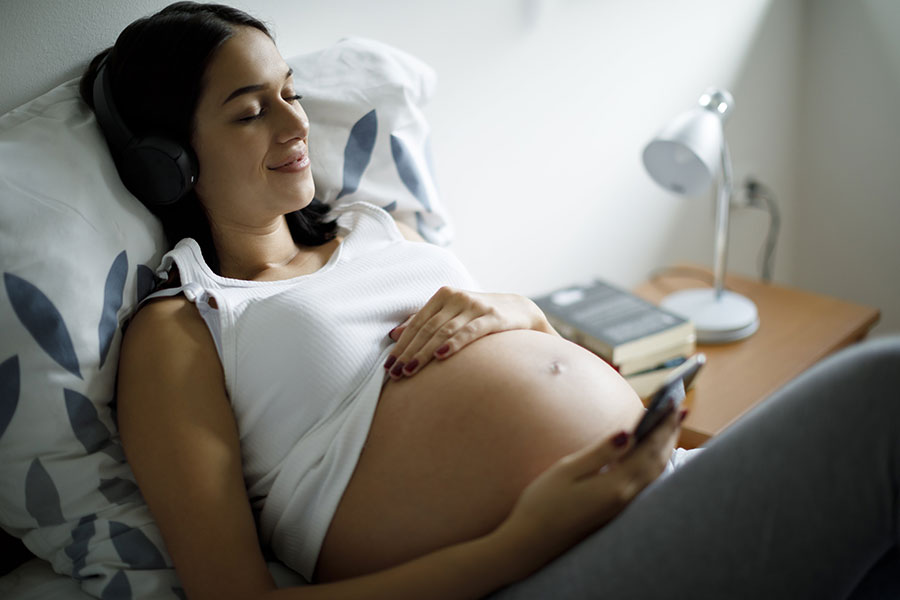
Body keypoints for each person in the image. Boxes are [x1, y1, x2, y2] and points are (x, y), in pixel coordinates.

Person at [80, 3, 900, 599]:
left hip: (655, 486)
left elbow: (509, 367)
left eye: (290, 91)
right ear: (170, 163)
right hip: (539, 565)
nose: (293, 122)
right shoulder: (185, 326)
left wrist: (526, 314)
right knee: (881, 395)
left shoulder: (376, 226)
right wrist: (522, 540)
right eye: (250, 111)